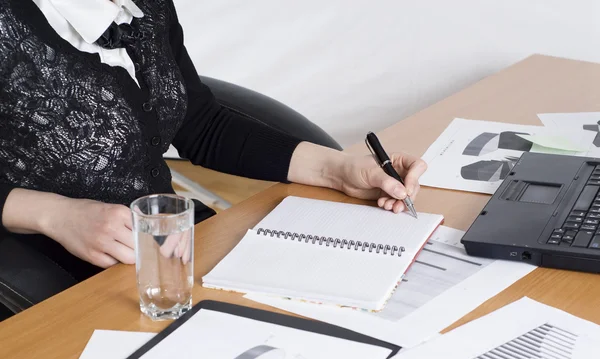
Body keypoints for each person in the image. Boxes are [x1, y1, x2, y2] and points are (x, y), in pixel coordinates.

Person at [0, 0, 427, 283]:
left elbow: (197, 121)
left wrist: (337, 169)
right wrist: (55, 216)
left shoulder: (140, 6)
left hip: (167, 255)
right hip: (48, 278)